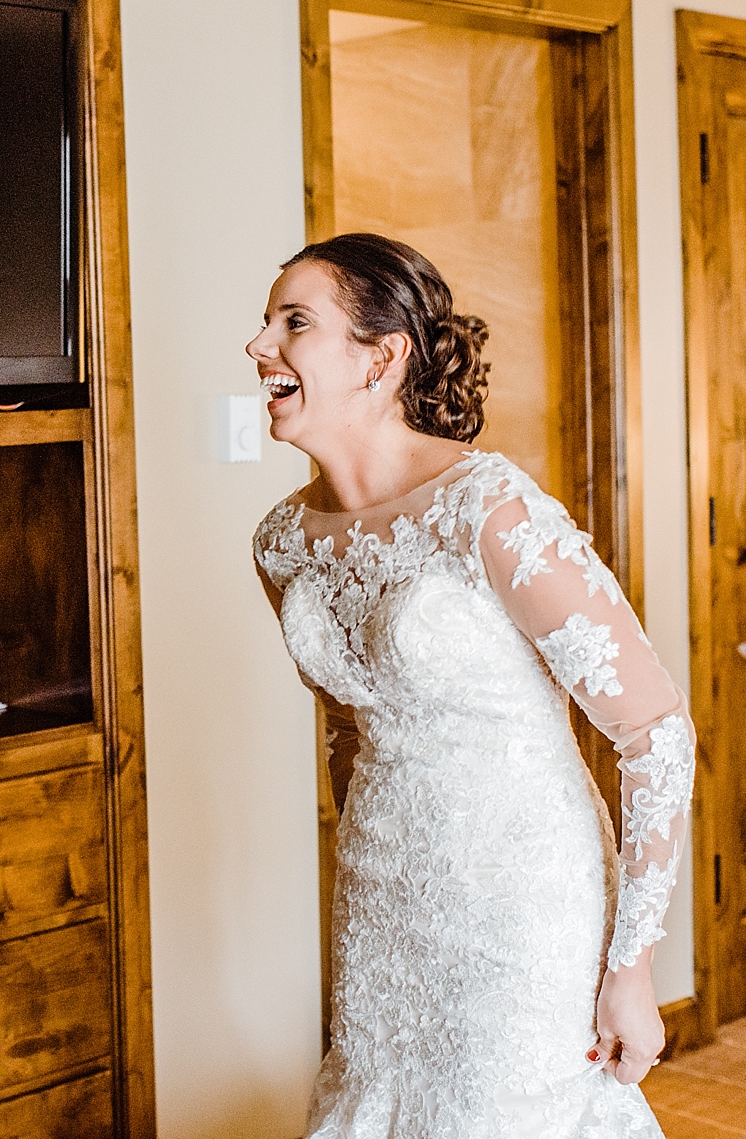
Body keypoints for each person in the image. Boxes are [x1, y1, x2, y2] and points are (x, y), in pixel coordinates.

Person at [247, 233, 692, 1137]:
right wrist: (370, 857)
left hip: (523, 896)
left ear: (381, 357)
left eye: (293, 322)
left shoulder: (487, 508)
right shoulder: (282, 542)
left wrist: (631, 966)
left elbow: (654, 730)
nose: (260, 346)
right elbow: (347, 728)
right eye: (265, 323)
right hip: (380, 899)